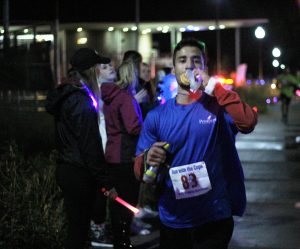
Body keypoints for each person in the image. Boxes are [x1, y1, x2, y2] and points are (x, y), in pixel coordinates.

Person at [134, 38, 258, 249]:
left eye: (196, 60)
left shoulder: (218, 106)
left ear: (205, 68)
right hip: (173, 218)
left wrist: (215, 88)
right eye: (182, 60)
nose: (190, 65)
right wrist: (148, 158)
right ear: (174, 69)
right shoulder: (157, 116)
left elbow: (247, 122)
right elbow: (139, 171)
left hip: (215, 217)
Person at [45, 48, 117, 249]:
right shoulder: (81, 99)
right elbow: (89, 145)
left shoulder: (69, 94)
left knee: (76, 229)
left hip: (68, 167)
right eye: (97, 66)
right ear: (90, 70)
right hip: (78, 172)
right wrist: (105, 181)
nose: (98, 70)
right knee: (78, 233)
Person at [101, 60, 143, 248]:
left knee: (117, 202)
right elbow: (133, 127)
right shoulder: (125, 98)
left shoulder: (110, 97)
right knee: (128, 202)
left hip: (111, 155)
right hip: (126, 157)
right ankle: (123, 242)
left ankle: (119, 239)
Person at [90, 61, 117, 247]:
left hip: (110, 147)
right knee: (100, 192)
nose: (111, 68)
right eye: (106, 67)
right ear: (97, 72)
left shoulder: (112, 90)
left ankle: (102, 226)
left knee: (109, 192)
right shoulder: (94, 92)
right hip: (100, 148)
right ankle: (96, 230)